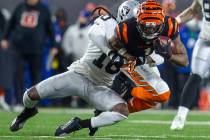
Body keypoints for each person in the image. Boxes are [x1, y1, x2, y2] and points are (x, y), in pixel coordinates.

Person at [54, 0, 188, 136]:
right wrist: (127, 57)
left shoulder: (170, 25)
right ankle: (126, 90)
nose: (150, 30)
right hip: (130, 60)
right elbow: (112, 43)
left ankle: (106, 109)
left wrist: (169, 55)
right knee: (160, 92)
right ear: (137, 20)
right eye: (146, 26)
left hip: (143, 60)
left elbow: (184, 61)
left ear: (162, 22)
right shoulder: (125, 28)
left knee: (157, 97)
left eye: (154, 26)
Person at [9, 1, 135, 136]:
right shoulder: (107, 24)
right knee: (30, 95)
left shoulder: (137, 43)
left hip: (100, 87)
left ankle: (79, 124)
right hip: (78, 75)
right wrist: (113, 54)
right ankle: (28, 111)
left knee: (122, 111)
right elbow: (93, 33)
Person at [0, 0, 58, 108]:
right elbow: (10, 23)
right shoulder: (20, 7)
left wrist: (54, 45)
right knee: (18, 75)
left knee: (36, 76)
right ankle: (18, 102)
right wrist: (4, 38)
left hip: (36, 48)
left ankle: (33, 103)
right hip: (18, 48)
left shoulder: (44, 9)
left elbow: (50, 28)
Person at [170, 0, 210, 130]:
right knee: (195, 76)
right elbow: (193, 10)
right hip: (205, 40)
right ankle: (180, 117)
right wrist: (175, 22)